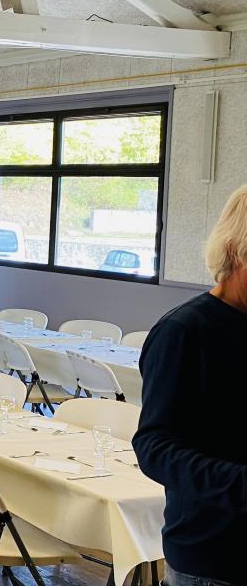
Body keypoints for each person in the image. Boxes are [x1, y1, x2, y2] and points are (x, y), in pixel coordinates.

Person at [135, 184, 247, 586]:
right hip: (213, 556)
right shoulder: (184, 331)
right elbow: (154, 447)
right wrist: (238, 484)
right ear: (236, 251)